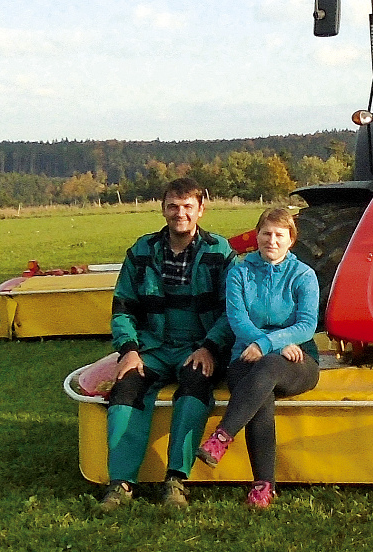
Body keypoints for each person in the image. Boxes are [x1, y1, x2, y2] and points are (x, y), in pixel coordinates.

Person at [99, 177, 235, 511]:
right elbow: (123, 307)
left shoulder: (220, 251)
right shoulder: (141, 251)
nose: (180, 214)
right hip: (152, 348)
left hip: (197, 346)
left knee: (194, 388)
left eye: (188, 206)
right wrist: (129, 350)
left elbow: (231, 310)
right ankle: (121, 483)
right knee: (126, 390)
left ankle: (175, 480)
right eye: (173, 206)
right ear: (163, 209)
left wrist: (210, 348)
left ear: (201, 210)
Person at [195, 207, 320, 509]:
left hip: (297, 361)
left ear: (291, 239)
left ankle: (222, 436)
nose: (272, 240)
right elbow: (237, 321)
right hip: (245, 359)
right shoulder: (239, 272)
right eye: (266, 233)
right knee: (260, 396)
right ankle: (263, 487)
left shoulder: (304, 275)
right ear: (257, 235)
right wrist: (272, 343)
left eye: (280, 235)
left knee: (270, 366)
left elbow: (306, 325)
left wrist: (268, 344)